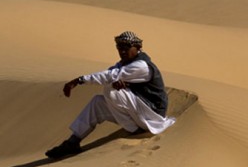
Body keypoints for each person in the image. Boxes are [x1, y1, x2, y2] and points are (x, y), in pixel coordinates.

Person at [45, 31, 175, 159]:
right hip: (138, 111)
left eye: (127, 47)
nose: (122, 51)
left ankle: (134, 131)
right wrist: (119, 83)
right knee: (97, 102)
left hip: (152, 115)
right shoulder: (123, 64)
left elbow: (110, 76)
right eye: (119, 47)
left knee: (109, 88)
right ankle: (72, 142)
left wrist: (79, 80)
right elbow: (112, 73)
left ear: (138, 48)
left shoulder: (141, 66)